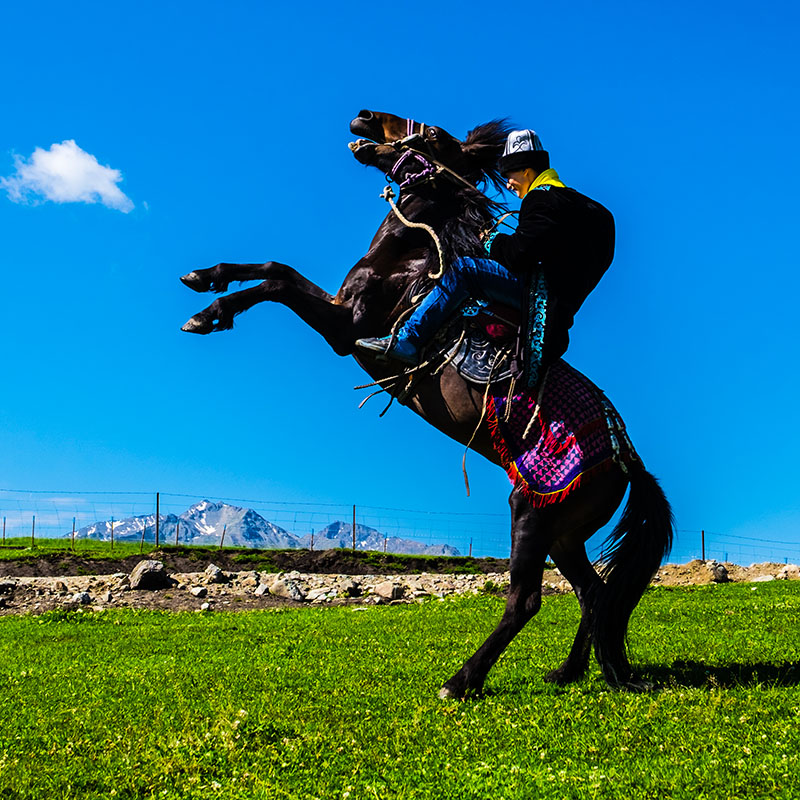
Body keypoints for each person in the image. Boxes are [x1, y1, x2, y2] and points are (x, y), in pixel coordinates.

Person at [355, 129, 615, 386]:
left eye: (510, 175)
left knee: (465, 269)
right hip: (563, 307)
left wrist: (489, 240)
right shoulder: (593, 211)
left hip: (537, 297)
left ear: (526, 170)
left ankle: (407, 341)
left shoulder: (541, 199)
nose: (509, 184)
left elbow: (517, 256)